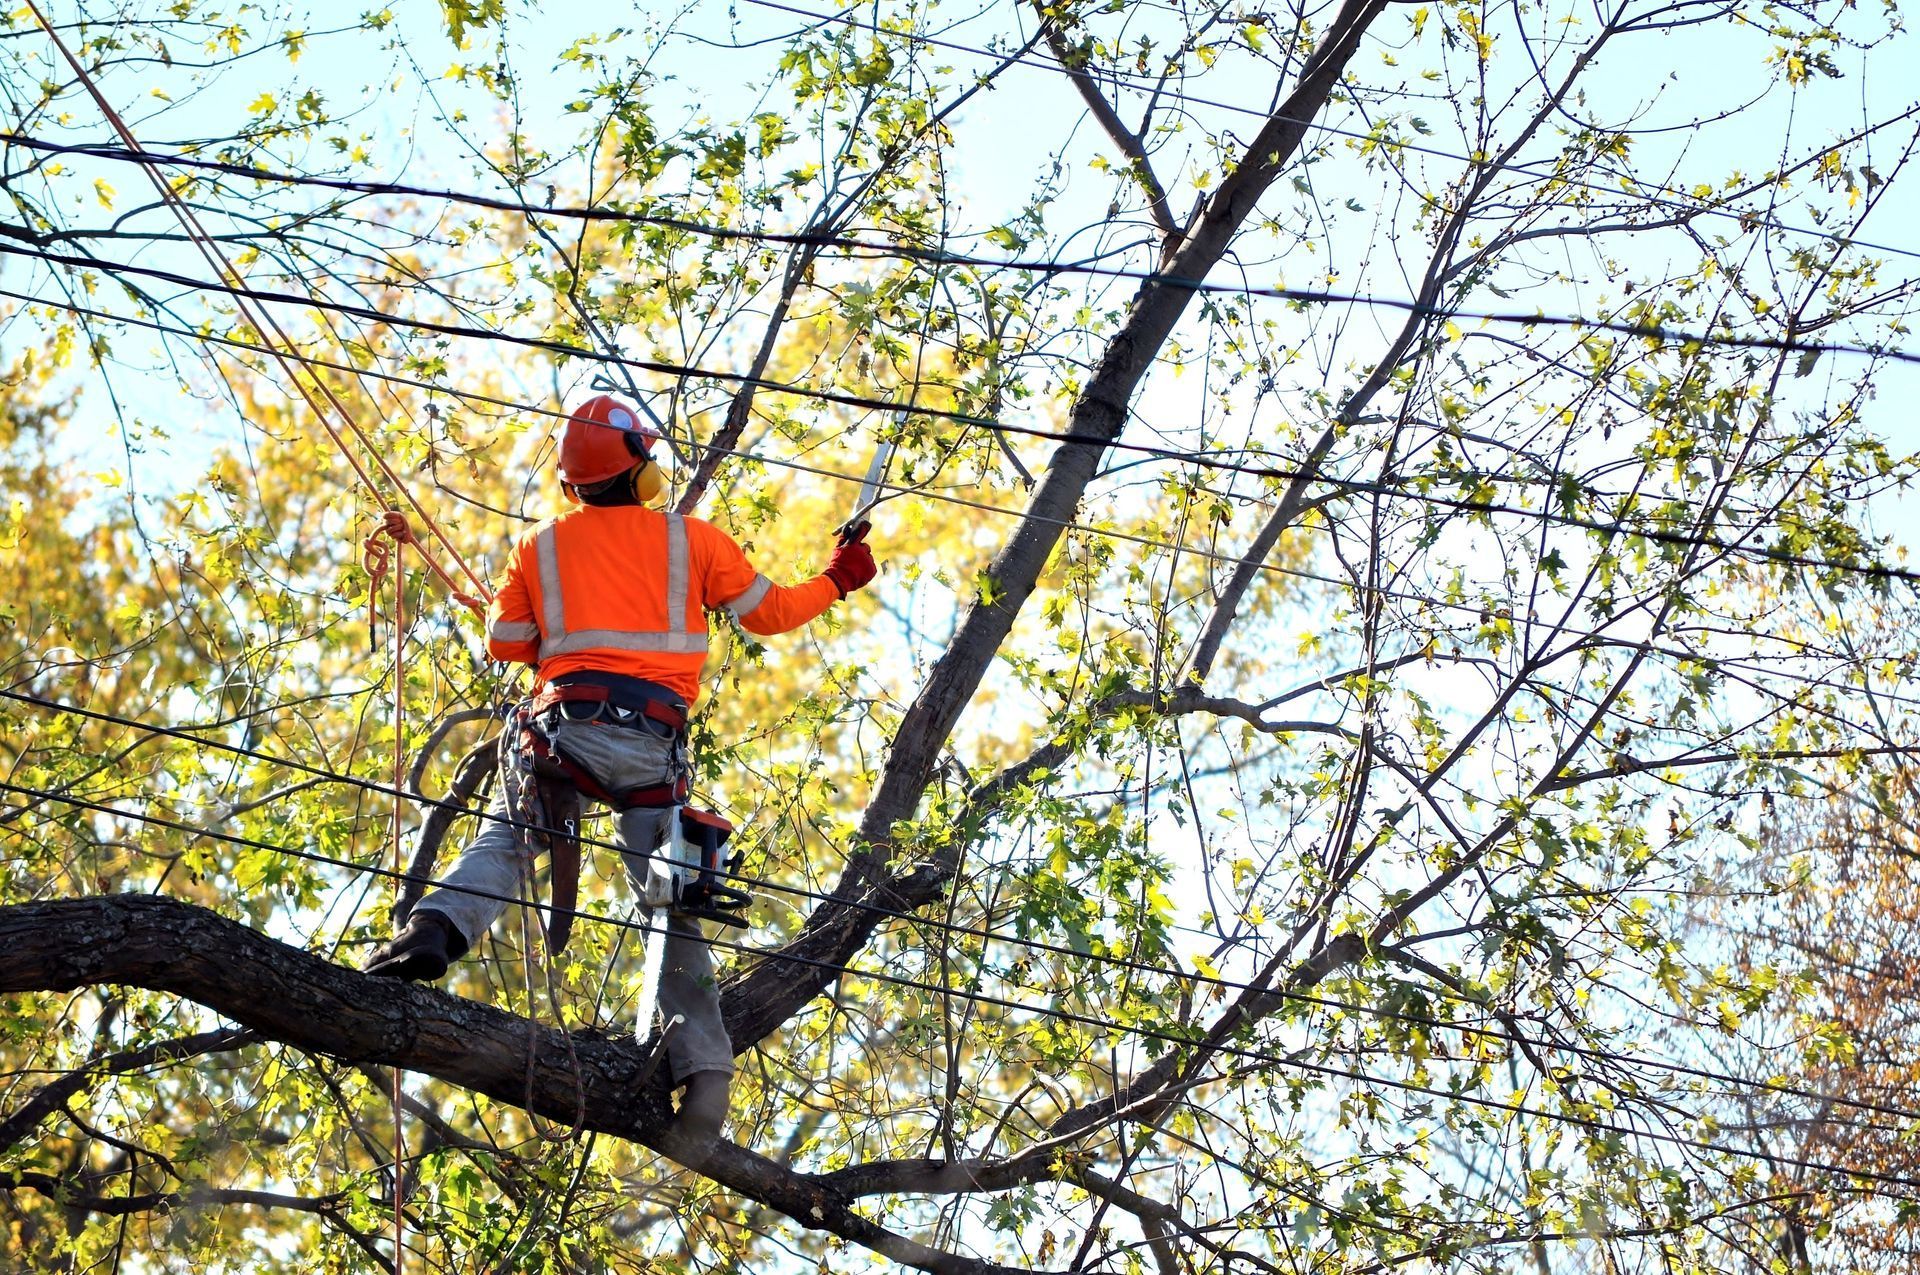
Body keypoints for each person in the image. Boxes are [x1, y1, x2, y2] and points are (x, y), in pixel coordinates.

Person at [364, 393, 878, 1143]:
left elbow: (505, 642)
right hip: (649, 743)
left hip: (562, 730)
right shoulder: (693, 541)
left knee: (509, 838)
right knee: (667, 897)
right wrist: (838, 575)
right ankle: (703, 1081)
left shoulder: (539, 546)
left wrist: (560, 635)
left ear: (572, 485)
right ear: (642, 472)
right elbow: (771, 613)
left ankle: (433, 932)